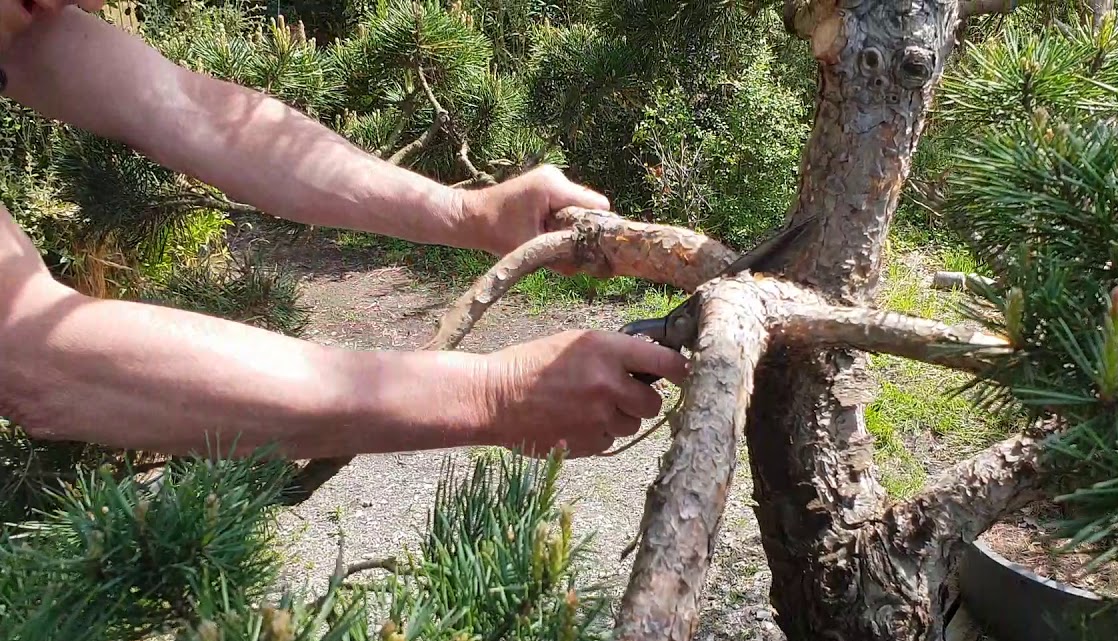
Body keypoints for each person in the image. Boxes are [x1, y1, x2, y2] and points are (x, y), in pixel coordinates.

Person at [0, 0, 689, 461]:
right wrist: (491, 394)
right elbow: (37, 356)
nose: (81, 4)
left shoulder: (30, 18)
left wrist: (471, 214)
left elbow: (195, 115)